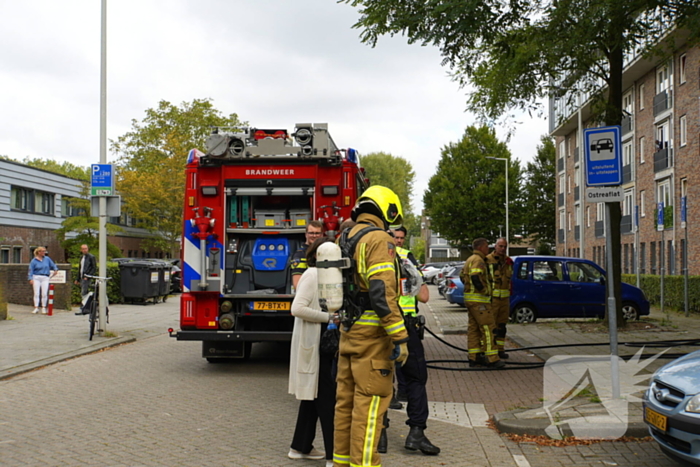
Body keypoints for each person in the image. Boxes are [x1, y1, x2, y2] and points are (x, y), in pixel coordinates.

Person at [333, 185, 409, 467]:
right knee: (371, 406)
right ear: (386, 210)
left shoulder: (346, 237)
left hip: (348, 331)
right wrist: (400, 337)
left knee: (345, 405)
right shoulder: (379, 239)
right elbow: (381, 292)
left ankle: (341, 462)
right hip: (373, 338)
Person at [381, 226, 439, 455]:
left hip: (380, 325)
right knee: (416, 378)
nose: (398, 242)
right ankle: (416, 432)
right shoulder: (406, 259)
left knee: (380, 377)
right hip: (406, 325)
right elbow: (424, 296)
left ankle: (381, 435)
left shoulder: (370, 255)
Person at [288, 237, 338, 467]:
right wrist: (329, 318)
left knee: (312, 399)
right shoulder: (312, 274)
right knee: (327, 400)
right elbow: (297, 308)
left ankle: (300, 447)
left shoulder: (326, 275)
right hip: (315, 345)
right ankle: (333, 456)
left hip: (320, 343)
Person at [460, 238, 504, 369]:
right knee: (488, 328)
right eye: (486, 246)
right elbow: (475, 277)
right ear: (480, 247)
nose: (488, 249)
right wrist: (484, 290)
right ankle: (492, 359)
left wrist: (469, 290)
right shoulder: (479, 260)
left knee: (473, 329)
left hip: (470, 300)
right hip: (480, 301)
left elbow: (462, 276)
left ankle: (474, 357)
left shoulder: (470, 259)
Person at [486, 238, 513, 359]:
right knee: (492, 326)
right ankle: (490, 350)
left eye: (504, 247)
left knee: (502, 325)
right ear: (495, 246)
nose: (502, 249)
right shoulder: (487, 260)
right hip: (493, 300)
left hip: (504, 300)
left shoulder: (508, 262)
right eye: (500, 246)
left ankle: (500, 349)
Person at [290, 220, 324, 291]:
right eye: (311, 233)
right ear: (306, 234)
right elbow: (297, 285)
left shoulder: (325, 251)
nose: (314, 236)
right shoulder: (300, 255)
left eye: (317, 233)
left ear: (322, 235)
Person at [27, 246, 58, 314]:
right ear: (39, 252)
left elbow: (53, 265)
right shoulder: (34, 261)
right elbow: (30, 270)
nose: (44, 252)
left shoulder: (47, 259)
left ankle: (43, 307)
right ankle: (36, 307)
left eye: (44, 251)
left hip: (45, 277)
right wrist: (30, 278)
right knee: (36, 293)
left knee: (44, 293)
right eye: (43, 251)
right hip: (36, 277)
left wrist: (55, 269)